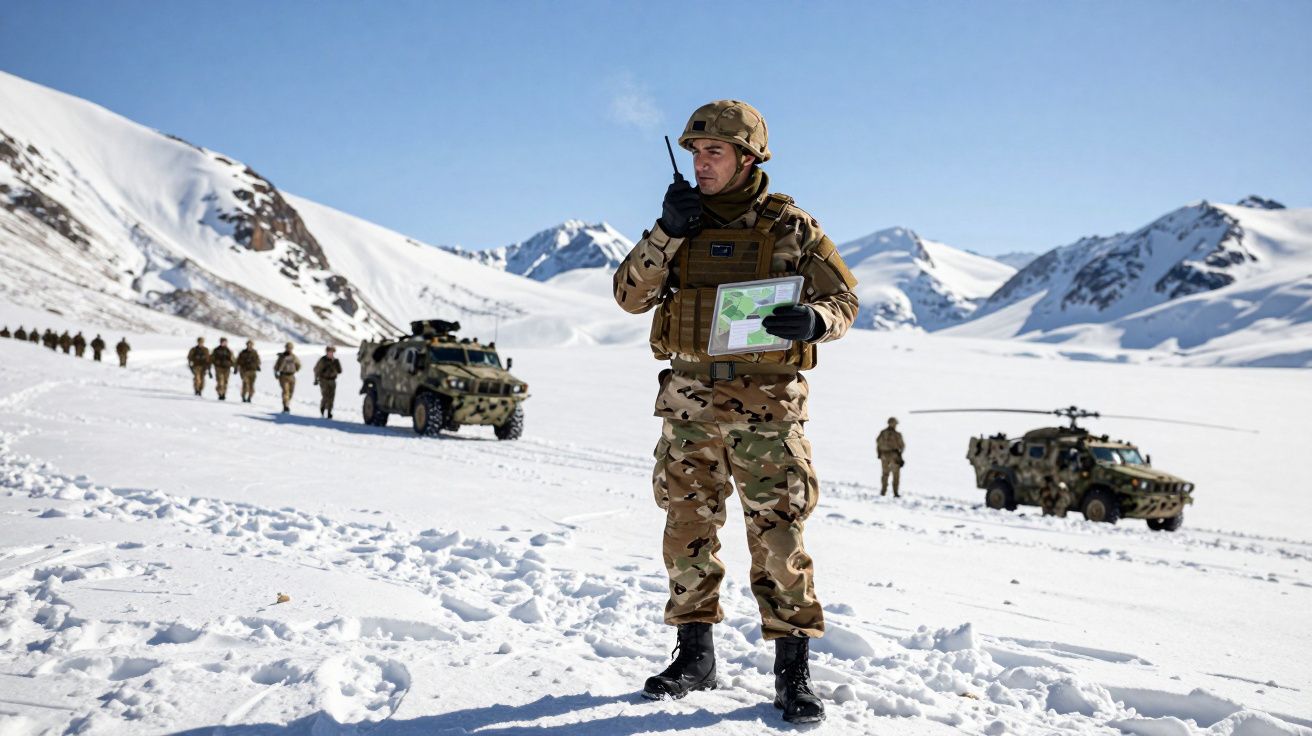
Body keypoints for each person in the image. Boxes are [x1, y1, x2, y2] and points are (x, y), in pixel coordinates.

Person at [613, 100, 858, 724]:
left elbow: (845, 300)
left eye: (714, 152)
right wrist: (666, 232)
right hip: (689, 408)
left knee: (779, 538)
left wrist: (816, 319)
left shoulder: (790, 227)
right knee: (686, 534)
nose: (701, 163)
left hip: (767, 413)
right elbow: (628, 297)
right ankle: (695, 657)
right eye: (694, 152)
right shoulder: (678, 224)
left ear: (748, 158)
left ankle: (792, 673)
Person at [876, 417, 906, 497]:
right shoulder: (897, 435)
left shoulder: (882, 433)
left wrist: (879, 454)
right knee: (895, 475)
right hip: (893, 457)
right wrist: (899, 455)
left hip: (884, 456)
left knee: (885, 474)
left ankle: (883, 492)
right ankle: (895, 493)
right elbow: (902, 446)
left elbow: (878, 444)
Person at [313, 346, 343, 419]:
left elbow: (340, 371)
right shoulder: (323, 360)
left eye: (332, 352)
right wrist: (316, 379)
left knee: (331, 397)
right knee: (325, 396)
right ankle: (322, 409)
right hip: (324, 380)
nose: (330, 353)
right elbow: (317, 370)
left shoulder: (335, 361)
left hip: (332, 381)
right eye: (329, 352)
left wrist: (336, 364)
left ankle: (329, 412)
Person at [274, 342, 301, 413]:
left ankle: (287, 403)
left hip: (292, 376)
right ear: (285, 348)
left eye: (290, 348)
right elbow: (276, 366)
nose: (289, 349)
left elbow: (298, 365)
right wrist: (276, 374)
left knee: (291, 392)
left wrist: (296, 369)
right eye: (288, 348)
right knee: (285, 391)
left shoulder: (294, 357)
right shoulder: (281, 357)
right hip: (283, 376)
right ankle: (285, 406)